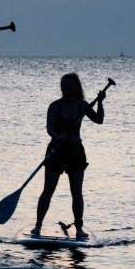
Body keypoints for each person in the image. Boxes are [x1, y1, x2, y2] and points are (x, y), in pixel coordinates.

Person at [31, 73, 106, 240]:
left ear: (76, 87)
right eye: (64, 86)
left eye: (69, 86)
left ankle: (79, 228)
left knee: (76, 192)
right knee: (48, 190)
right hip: (56, 151)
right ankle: (38, 225)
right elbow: (49, 128)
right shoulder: (55, 106)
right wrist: (58, 136)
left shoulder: (82, 105)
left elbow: (99, 120)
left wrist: (100, 102)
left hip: (75, 152)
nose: (66, 89)